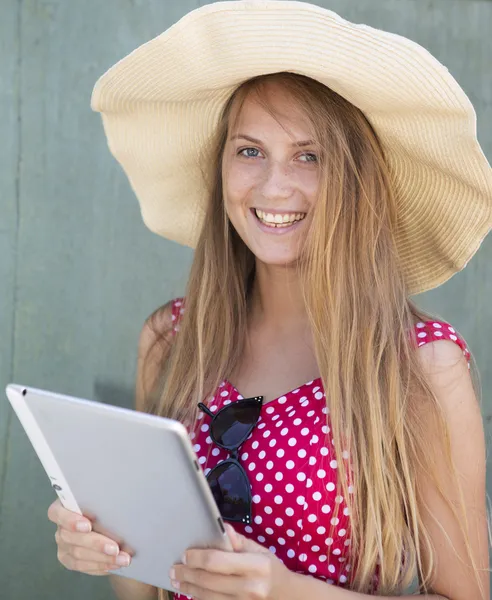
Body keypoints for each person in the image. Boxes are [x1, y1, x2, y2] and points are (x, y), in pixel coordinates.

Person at [47, 2, 492, 599]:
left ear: (356, 181)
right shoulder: (172, 340)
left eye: (310, 156)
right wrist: (106, 541)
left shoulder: (420, 366)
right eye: (249, 150)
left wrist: (284, 590)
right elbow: (144, 588)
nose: (272, 186)